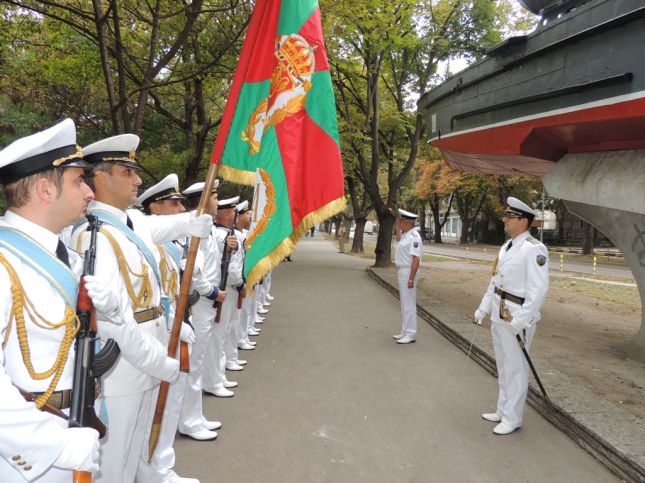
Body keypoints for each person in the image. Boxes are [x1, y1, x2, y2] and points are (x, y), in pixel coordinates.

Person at [69, 134, 212, 482]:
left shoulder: (129, 222)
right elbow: (107, 319)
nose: (137, 180)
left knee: (133, 452)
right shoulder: (93, 235)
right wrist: (157, 360)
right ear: (100, 178)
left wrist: (193, 220)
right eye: (127, 171)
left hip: (146, 351)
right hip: (121, 365)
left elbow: (166, 224)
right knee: (113, 461)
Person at [0, 119, 104, 481]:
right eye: (79, 181)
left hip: (74, 423)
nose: (90, 192)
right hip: (28, 454)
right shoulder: (4, 261)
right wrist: (53, 445)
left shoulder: (65, 255)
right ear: (45, 189)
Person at [134, 174, 199, 483]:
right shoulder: (153, 244)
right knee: (156, 407)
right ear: (154, 208)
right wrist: (175, 325)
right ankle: (155, 469)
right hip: (161, 333)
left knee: (169, 402)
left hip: (173, 328)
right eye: (173, 204)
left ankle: (161, 466)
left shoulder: (168, 244)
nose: (180, 209)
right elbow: (156, 296)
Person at [474, 196, 549, 435]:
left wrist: (522, 320)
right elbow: (495, 282)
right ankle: (502, 409)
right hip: (499, 315)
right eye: (506, 215)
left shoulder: (534, 249)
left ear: (523, 221)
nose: (505, 220)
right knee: (504, 366)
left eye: (510, 216)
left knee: (516, 369)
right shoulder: (506, 246)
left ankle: (513, 418)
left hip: (516, 318)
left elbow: (539, 290)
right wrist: (484, 308)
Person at [177, 182, 230, 440]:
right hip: (198, 305)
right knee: (193, 365)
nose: (218, 203)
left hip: (204, 305)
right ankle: (188, 421)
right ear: (204, 199)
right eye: (215, 197)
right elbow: (193, 270)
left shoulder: (205, 227)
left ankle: (194, 416)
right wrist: (212, 292)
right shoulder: (194, 228)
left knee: (196, 364)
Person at [393, 209, 422, 344]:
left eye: (401, 222)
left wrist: (411, 279)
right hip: (403, 271)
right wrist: (397, 227)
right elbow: (398, 239)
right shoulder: (406, 235)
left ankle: (410, 334)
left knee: (409, 303)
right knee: (404, 303)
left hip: (408, 272)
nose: (399, 224)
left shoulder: (414, 237)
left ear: (408, 223)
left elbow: (416, 259)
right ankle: (405, 331)